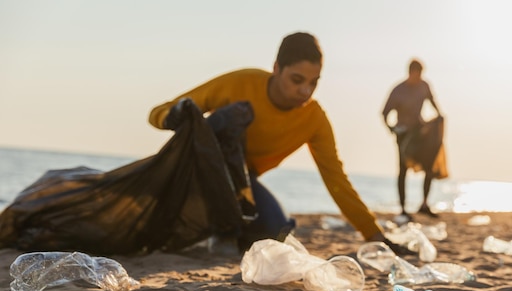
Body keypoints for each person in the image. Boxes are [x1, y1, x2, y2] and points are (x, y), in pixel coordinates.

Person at [149, 32, 395, 253]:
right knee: (231, 115)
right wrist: (173, 116)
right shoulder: (241, 83)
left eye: (314, 82)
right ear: (276, 68)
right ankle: (208, 225)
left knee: (278, 231)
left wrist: (374, 235)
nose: (305, 91)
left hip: (242, 182)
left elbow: (336, 178)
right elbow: (159, 112)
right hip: (197, 166)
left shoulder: (314, 119)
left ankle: (218, 231)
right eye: (297, 80)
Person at [382, 59, 444, 219]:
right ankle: (403, 208)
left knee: (429, 167)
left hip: (419, 132)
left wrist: (439, 115)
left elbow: (432, 102)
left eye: (420, 75)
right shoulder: (398, 90)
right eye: (416, 75)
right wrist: (391, 129)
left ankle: (424, 204)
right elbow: (384, 112)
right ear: (409, 72)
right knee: (403, 170)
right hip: (403, 135)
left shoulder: (424, 86)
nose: (418, 78)